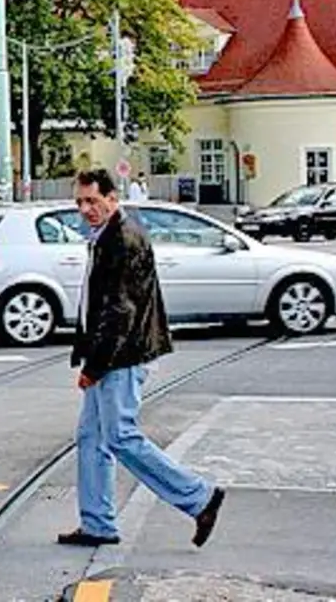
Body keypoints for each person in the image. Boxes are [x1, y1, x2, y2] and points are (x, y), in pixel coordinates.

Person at [61, 169, 225, 549]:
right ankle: (98, 523)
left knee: (120, 437)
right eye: (80, 202)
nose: (85, 209)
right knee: (92, 437)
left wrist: (94, 366)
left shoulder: (123, 239)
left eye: (92, 201)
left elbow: (121, 312)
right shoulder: (106, 235)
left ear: (112, 199)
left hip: (122, 355)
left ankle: (199, 497)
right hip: (112, 353)